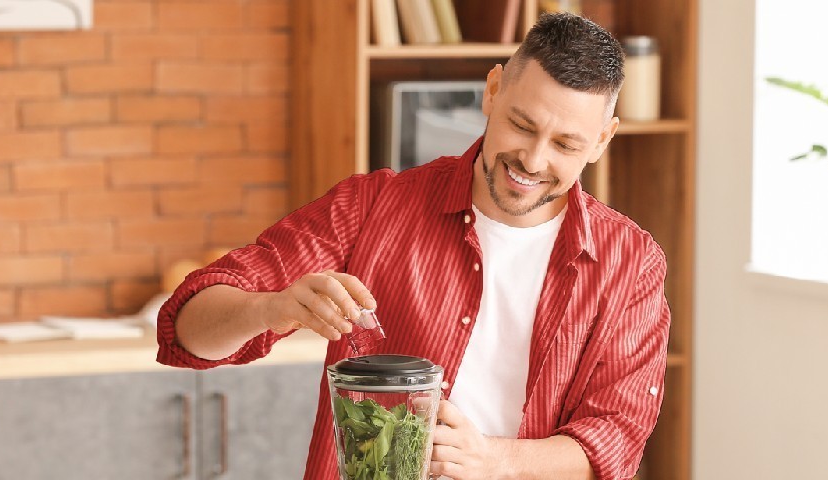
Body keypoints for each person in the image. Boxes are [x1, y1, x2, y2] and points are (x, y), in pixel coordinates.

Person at [157, 12, 670, 480]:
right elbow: (187, 329)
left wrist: (494, 459)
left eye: (566, 145)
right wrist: (273, 307)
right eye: (521, 124)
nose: (533, 160)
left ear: (603, 140)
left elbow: (615, 440)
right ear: (492, 91)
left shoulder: (631, 262)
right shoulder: (370, 207)